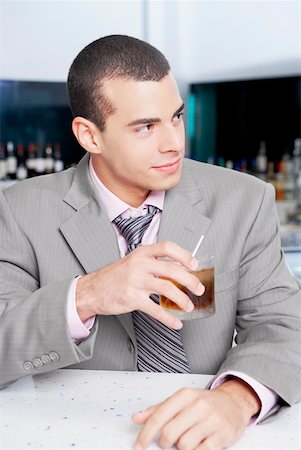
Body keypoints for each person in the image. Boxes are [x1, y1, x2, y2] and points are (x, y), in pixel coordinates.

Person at [0, 35, 300, 450]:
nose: (173, 143)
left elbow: (285, 326)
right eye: (145, 127)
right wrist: (87, 295)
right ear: (89, 136)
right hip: (76, 433)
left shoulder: (244, 200)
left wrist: (236, 399)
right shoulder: (18, 210)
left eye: (175, 117)